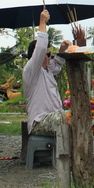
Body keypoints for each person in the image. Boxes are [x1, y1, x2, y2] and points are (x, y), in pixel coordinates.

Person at [23, 9, 70, 137]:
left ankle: (67, 154)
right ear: (38, 56)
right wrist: (42, 22)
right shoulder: (31, 70)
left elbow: (58, 63)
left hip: (53, 117)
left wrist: (62, 49)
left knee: (75, 116)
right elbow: (41, 47)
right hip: (39, 121)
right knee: (69, 118)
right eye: (48, 54)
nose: (50, 57)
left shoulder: (47, 70)